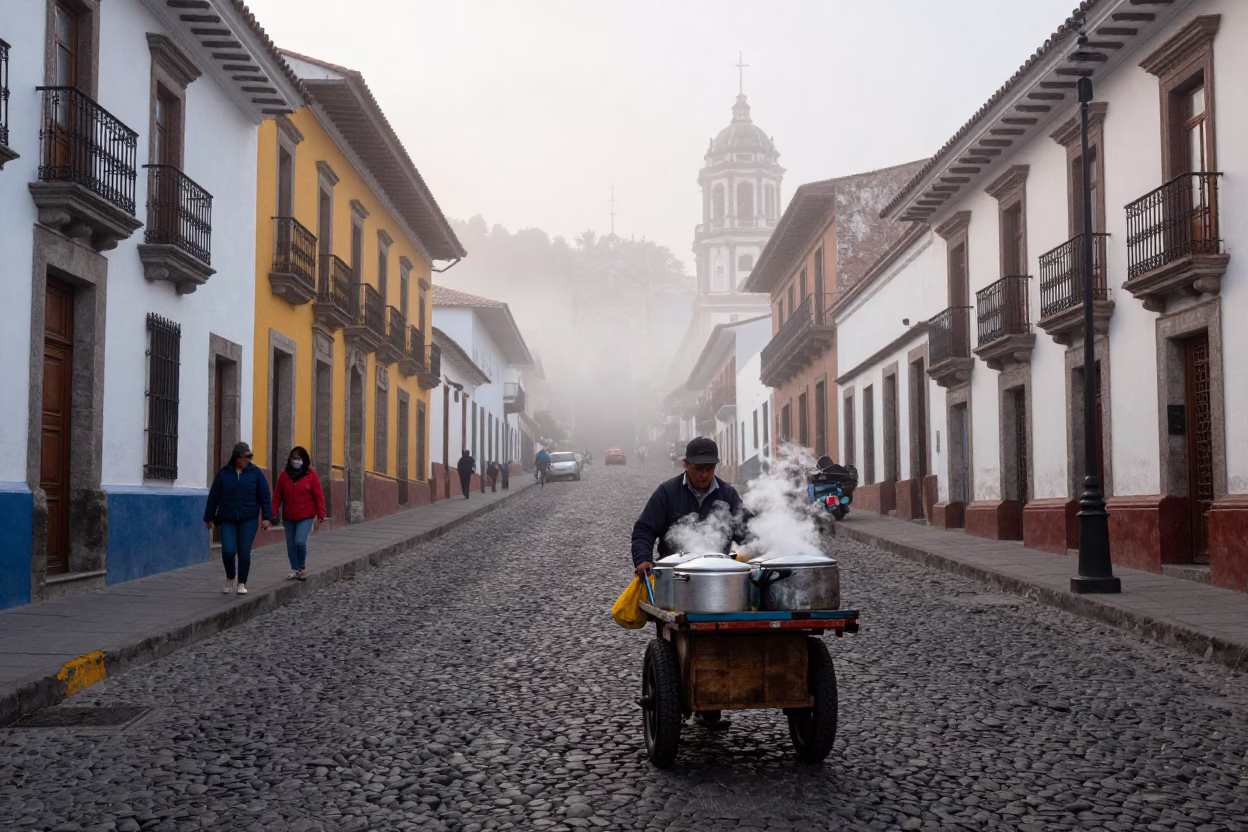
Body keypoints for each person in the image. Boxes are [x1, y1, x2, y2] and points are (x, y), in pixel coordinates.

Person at [631, 437, 746, 730]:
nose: (704, 475)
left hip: (719, 582)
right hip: (675, 583)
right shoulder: (667, 493)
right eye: (698, 468)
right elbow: (644, 529)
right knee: (678, 644)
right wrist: (643, 559)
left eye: (709, 468)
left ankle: (711, 704)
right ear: (685, 465)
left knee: (720, 641)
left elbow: (747, 530)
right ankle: (674, 697)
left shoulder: (728, 495)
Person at [204, 442, 273, 595]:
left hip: (249, 519)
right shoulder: (224, 474)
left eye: (250, 456)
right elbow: (213, 497)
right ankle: (230, 576)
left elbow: (265, 496)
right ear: (237, 458)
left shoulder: (255, 473)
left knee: (244, 551)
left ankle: (241, 582)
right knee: (228, 551)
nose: (249, 459)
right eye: (246, 456)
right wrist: (208, 518)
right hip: (227, 518)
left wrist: (267, 517)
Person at [271, 446, 326, 582]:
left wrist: (321, 513)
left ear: (304, 460)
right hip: (289, 516)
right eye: (293, 458)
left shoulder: (311, 474)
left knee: (300, 542)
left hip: (306, 515)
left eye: (298, 458)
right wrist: (272, 512)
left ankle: (301, 568)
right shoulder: (284, 475)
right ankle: (294, 569)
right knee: (290, 544)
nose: (296, 461)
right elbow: (277, 496)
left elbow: (318, 495)